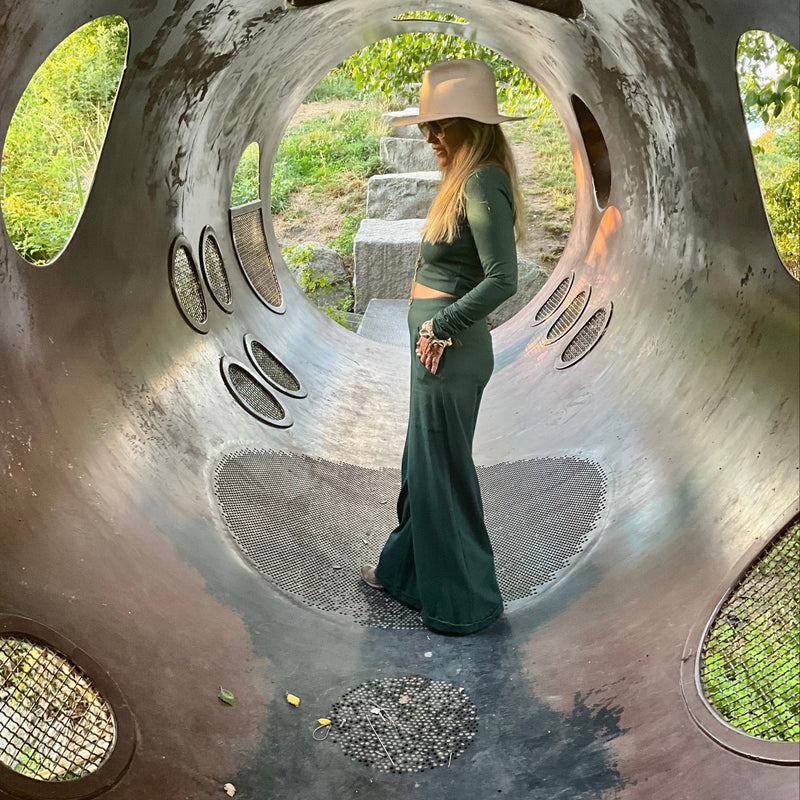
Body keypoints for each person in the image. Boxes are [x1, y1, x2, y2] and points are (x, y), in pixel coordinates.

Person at [361, 59, 525, 634]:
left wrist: (441, 325)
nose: (429, 136)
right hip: (435, 347)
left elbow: (503, 278)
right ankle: (403, 575)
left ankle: (466, 605)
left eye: (439, 125)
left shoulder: (482, 181)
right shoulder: (464, 177)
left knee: (442, 475)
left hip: (447, 350)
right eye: (426, 126)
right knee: (422, 468)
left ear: (471, 125)